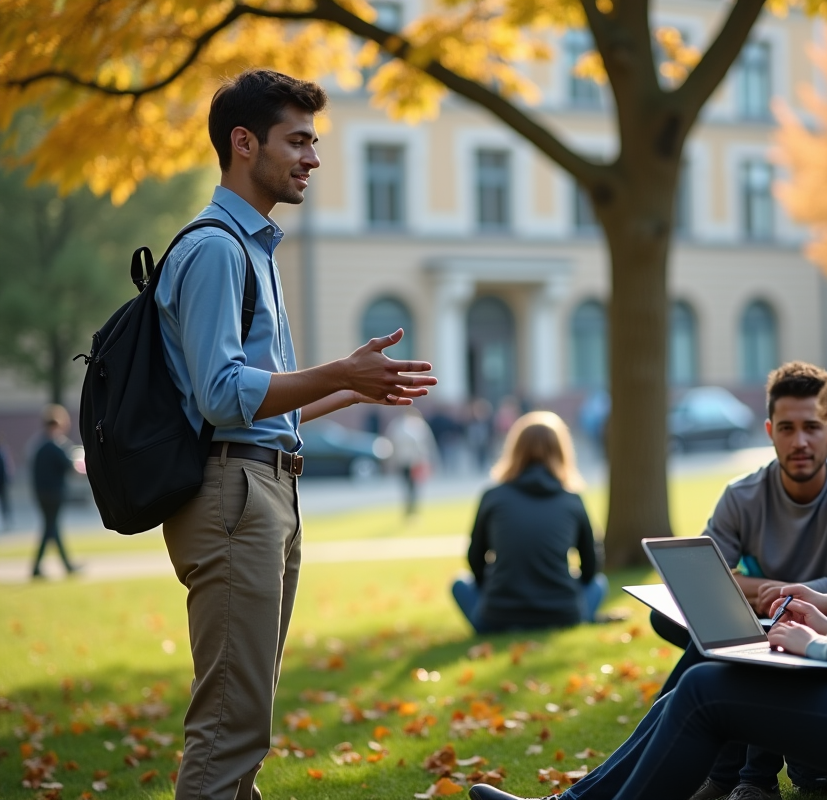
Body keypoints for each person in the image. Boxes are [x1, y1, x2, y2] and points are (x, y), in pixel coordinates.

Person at [469, 353, 827, 800]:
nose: (820, 449)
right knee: (713, 672)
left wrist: (818, 644)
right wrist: (821, 630)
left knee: (705, 689)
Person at [156, 69, 436, 800]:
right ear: (244, 144)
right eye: (299, 140)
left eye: (315, 142)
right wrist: (337, 369)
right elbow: (220, 397)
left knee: (244, 721)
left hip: (261, 487)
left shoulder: (256, 251)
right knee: (229, 725)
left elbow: (256, 404)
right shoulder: (218, 248)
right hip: (232, 496)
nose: (313, 157)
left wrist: (349, 387)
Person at [655, 361, 827, 800]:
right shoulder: (742, 494)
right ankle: (734, 778)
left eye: (812, 427)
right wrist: (780, 595)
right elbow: (703, 575)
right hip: (768, 627)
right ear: (770, 430)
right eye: (787, 428)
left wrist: (764, 594)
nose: (800, 441)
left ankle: (736, 778)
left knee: (732, 645)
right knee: (695, 627)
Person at [451, 411, 607, 633]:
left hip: (497, 617)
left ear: (514, 450)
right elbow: (591, 569)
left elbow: (474, 558)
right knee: (599, 585)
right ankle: (580, 617)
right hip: (563, 614)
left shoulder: (493, 496)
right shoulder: (572, 500)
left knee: (460, 584)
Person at [29, 404, 79, 578]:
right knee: (51, 528)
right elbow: (70, 465)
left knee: (52, 528)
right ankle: (42, 567)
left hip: (42, 493)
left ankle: (64, 565)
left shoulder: (38, 445)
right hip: (54, 493)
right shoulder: (55, 445)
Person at [387, 408, 437, 516]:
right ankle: (410, 509)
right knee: (409, 486)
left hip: (413, 461)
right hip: (407, 460)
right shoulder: (405, 425)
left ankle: (412, 509)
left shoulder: (413, 425)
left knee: (412, 486)